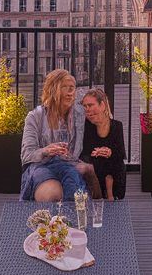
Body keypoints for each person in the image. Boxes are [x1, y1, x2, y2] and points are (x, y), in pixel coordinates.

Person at [20, 69, 87, 202]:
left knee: (75, 192)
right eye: (64, 87)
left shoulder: (79, 116)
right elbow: (27, 154)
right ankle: (47, 222)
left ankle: (71, 221)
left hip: (69, 165)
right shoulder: (35, 116)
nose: (70, 93)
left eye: (72, 88)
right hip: (41, 166)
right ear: (53, 90)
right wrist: (45, 151)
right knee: (52, 193)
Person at [80, 88, 126, 200]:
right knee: (98, 163)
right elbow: (84, 153)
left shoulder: (116, 126)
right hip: (94, 163)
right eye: (85, 106)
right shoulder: (86, 126)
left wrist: (110, 152)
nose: (87, 109)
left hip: (112, 165)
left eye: (90, 105)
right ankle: (107, 195)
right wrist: (96, 153)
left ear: (102, 105)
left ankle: (111, 195)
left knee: (115, 164)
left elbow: (121, 154)